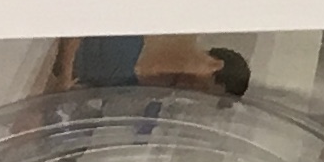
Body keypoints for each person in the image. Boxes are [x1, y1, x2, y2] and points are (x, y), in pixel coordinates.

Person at [41, 35, 252, 97]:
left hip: (43, 75)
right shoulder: (168, 36)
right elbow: (82, 21)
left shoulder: (155, 89)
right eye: (206, 88)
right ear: (214, 65)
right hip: (44, 49)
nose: (197, 92)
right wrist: (65, 75)